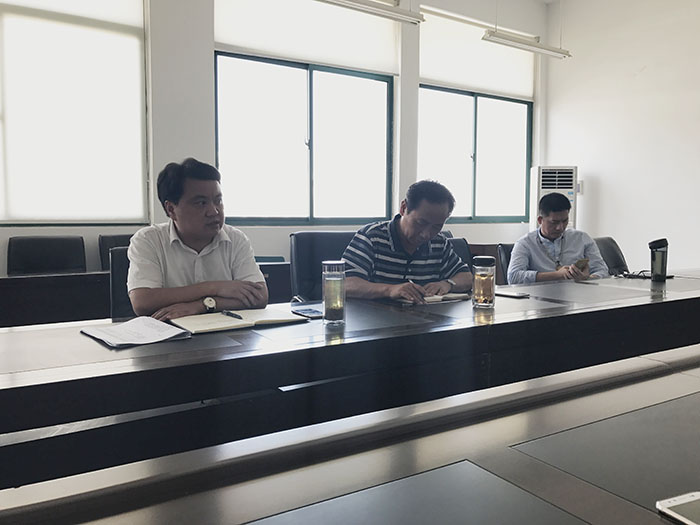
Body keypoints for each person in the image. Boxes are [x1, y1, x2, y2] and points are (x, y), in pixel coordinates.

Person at [127, 158, 268, 320]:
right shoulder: (148, 240)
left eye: (218, 201)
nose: (214, 211)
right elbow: (142, 301)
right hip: (169, 332)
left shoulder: (236, 239)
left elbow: (259, 296)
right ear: (171, 209)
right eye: (201, 203)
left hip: (226, 331)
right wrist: (214, 287)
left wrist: (202, 305)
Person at [342, 180, 473, 304]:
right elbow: (344, 284)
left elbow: (467, 277)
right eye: (421, 222)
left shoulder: (439, 243)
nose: (426, 234)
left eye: (437, 226)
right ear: (403, 208)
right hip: (376, 317)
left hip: (427, 318)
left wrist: (447, 284)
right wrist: (390, 290)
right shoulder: (372, 237)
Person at [507, 193, 608, 284]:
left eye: (564, 221)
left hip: (577, 294)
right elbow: (513, 277)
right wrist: (557, 275)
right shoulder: (525, 243)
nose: (560, 227)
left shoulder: (582, 239)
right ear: (540, 220)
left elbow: (602, 270)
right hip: (539, 295)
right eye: (554, 222)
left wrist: (587, 278)